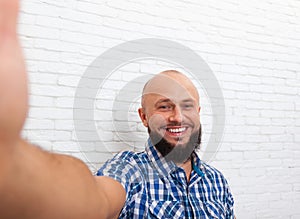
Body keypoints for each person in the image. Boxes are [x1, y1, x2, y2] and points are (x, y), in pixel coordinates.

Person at [0, 0, 234, 218]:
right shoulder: (128, 170)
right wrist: (10, 160)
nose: (178, 117)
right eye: (165, 106)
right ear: (144, 117)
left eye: (187, 106)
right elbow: (95, 198)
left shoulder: (217, 182)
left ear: (199, 111)